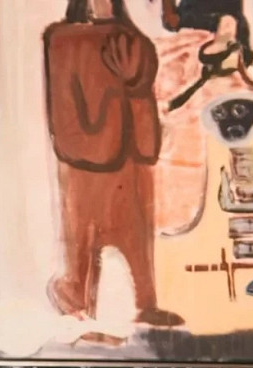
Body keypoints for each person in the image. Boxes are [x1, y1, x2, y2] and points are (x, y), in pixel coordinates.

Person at [44, 0, 184, 330]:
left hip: (130, 160)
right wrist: (95, 136)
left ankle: (146, 304)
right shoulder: (63, 40)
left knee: (138, 237)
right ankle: (77, 302)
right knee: (82, 239)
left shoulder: (136, 41)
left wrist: (133, 86)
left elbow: (144, 90)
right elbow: (63, 107)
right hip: (86, 163)